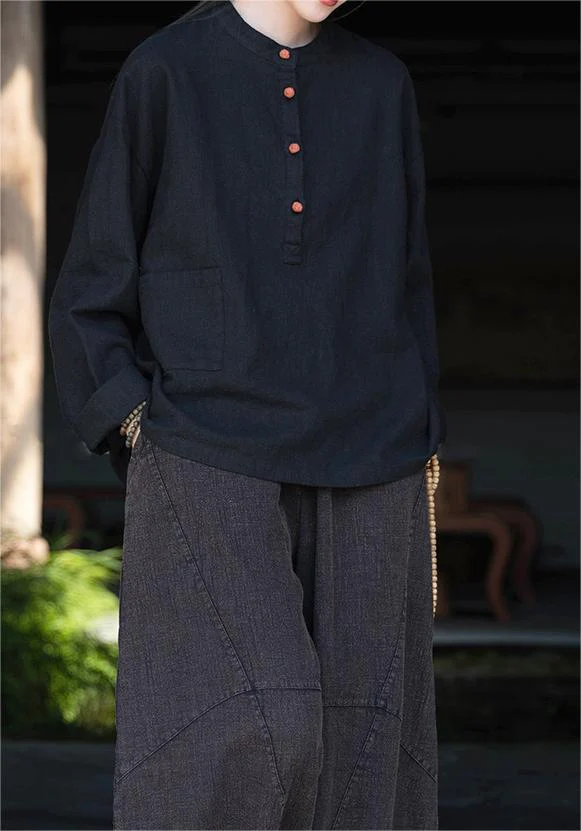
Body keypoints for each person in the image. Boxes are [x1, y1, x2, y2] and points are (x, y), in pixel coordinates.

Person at [47, 0, 446, 828]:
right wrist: (130, 417)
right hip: (205, 444)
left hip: (376, 451)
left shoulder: (381, 84)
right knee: (251, 722)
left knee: (366, 740)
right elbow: (95, 270)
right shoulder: (165, 70)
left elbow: (405, 278)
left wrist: (418, 426)